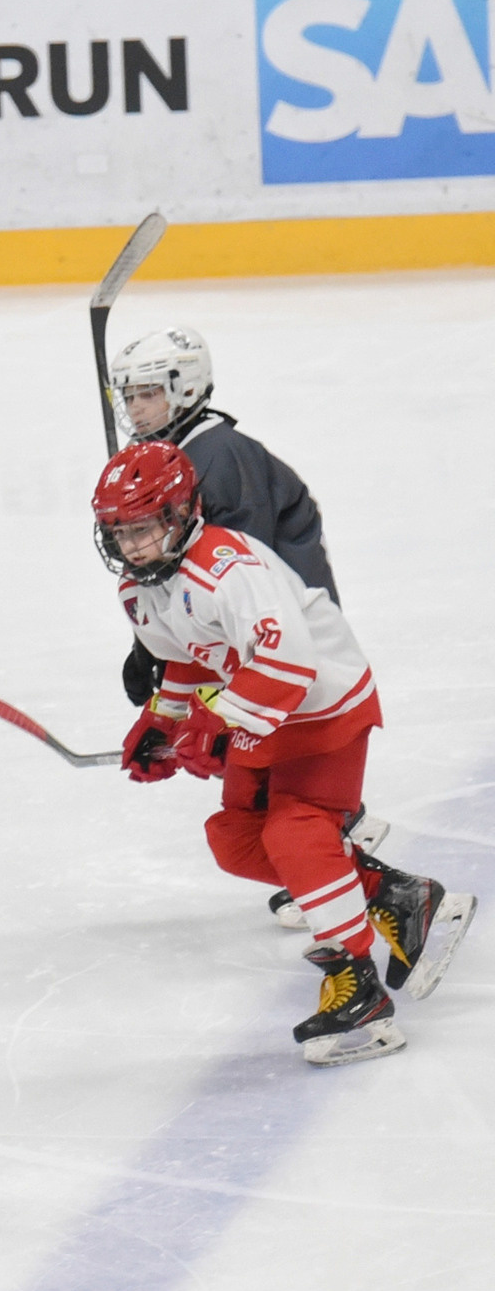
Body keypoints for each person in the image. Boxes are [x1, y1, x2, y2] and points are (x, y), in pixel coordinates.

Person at [94, 442, 473, 1065]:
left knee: (299, 833)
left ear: (182, 511)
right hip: (263, 706)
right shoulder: (140, 589)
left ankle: (360, 988)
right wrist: (162, 721)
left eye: (144, 528)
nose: (132, 546)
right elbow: (188, 653)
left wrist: (215, 726)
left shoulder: (227, 569)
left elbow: (289, 662)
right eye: (120, 532)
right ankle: (395, 895)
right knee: (237, 840)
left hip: (323, 705)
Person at [107, 325, 385, 914]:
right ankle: (314, 852)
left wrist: (167, 658)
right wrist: (154, 647)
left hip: (281, 628)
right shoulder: (174, 453)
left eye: (149, 393)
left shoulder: (218, 454)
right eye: (127, 396)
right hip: (240, 633)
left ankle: (325, 846)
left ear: (186, 388)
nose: (136, 408)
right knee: (237, 751)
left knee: (250, 742)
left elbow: (232, 575)